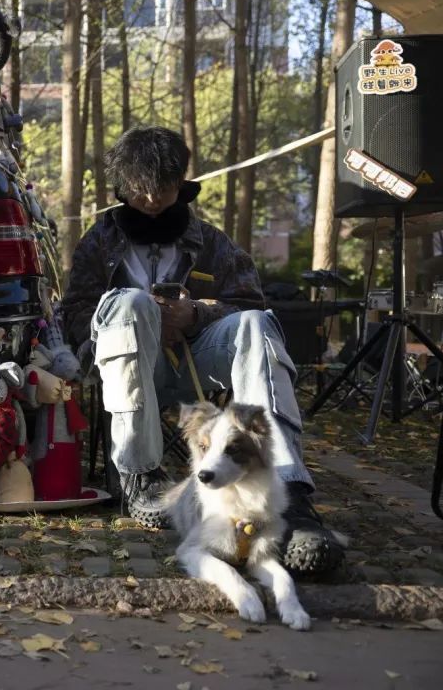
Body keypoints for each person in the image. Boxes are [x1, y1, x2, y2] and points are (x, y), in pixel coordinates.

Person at [61, 126, 344, 574]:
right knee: (130, 302)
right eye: (140, 191)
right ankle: (139, 475)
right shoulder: (99, 241)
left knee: (256, 325)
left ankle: (287, 491)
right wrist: (135, 319)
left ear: (181, 184)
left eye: (164, 189)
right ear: (122, 187)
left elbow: (250, 301)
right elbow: (73, 312)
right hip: (129, 373)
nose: (152, 201)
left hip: (201, 365)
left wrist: (195, 315)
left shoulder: (211, 241)